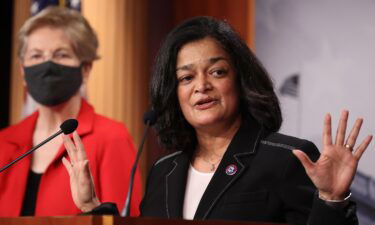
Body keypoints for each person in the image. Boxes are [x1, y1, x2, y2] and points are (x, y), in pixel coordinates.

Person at [62, 16, 372, 224]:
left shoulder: (288, 158)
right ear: (174, 93)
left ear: (241, 80)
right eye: (186, 78)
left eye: (217, 71)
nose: (201, 86)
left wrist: (331, 199)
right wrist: (92, 207)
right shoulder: (163, 171)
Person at [0, 6, 142, 217]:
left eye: (61, 54)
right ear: (22, 70)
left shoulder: (111, 137)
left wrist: (91, 208)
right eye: (36, 56)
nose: (47, 65)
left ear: (85, 69)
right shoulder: (5, 140)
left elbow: (127, 219)